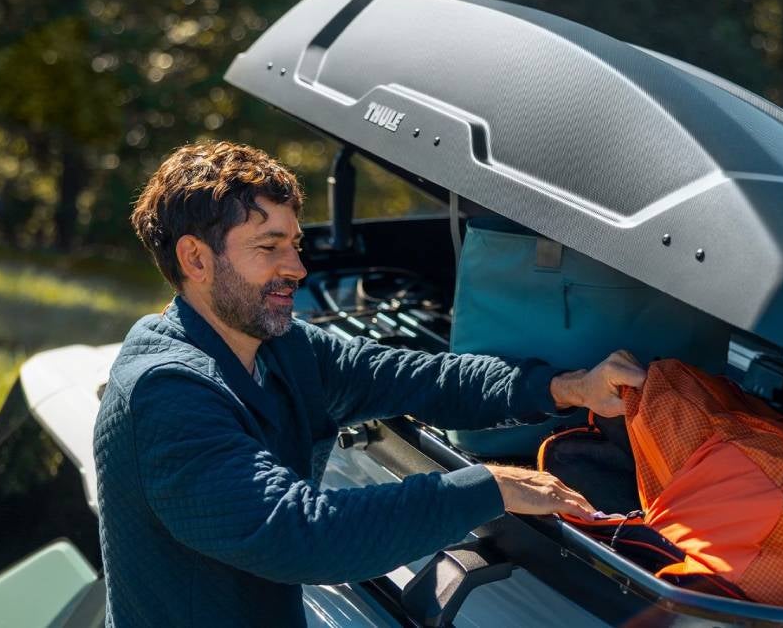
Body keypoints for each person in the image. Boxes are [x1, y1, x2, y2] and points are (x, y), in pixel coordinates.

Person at [93, 141, 647, 627]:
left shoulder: (281, 348)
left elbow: (418, 377)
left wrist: (568, 387)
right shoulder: (164, 395)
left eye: (295, 244)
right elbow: (301, 533)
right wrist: (490, 487)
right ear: (196, 258)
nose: (297, 269)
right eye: (268, 247)